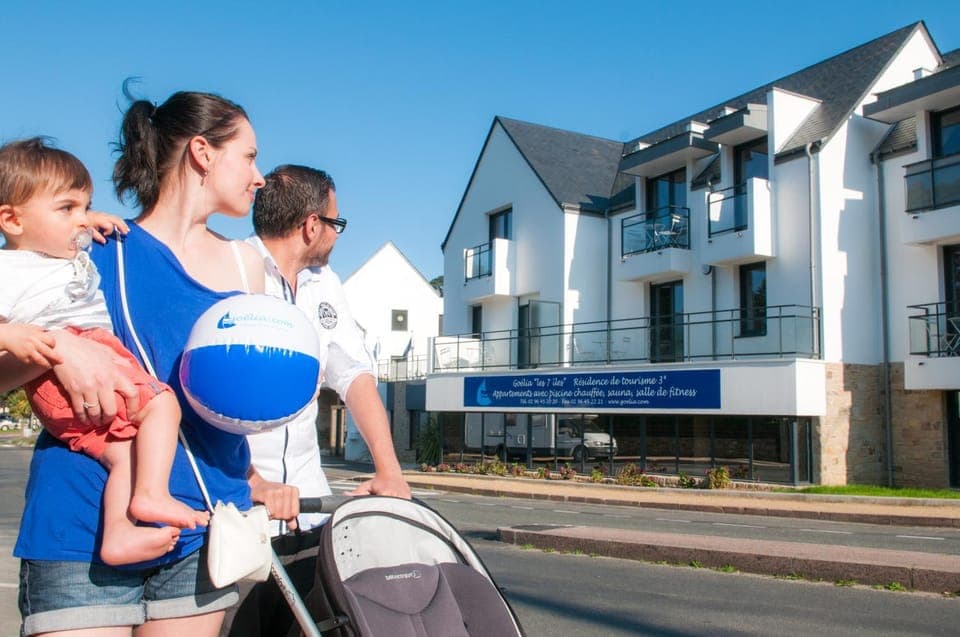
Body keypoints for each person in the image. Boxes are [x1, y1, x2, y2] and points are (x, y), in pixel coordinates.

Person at [6, 89, 298, 637]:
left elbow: (231, 403)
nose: (260, 177)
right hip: (82, 524)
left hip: (199, 526)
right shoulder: (92, 245)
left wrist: (256, 478)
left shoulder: (247, 267)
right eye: (250, 156)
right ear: (203, 153)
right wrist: (59, 347)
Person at [0, 139, 209, 568]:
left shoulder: (57, 248)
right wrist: (14, 335)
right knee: (162, 405)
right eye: (67, 208)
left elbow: (66, 226)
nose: (81, 220)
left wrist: (84, 219)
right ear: (11, 219)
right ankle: (152, 495)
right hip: (68, 367)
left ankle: (118, 533)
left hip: (75, 373)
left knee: (126, 452)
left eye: (86, 206)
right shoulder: (11, 268)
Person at [222, 164, 411, 636]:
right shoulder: (227, 269)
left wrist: (390, 471)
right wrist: (252, 481)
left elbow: (354, 375)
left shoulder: (325, 285)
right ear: (312, 226)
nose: (337, 235)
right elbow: (205, 397)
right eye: (336, 224)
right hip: (239, 516)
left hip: (307, 512)